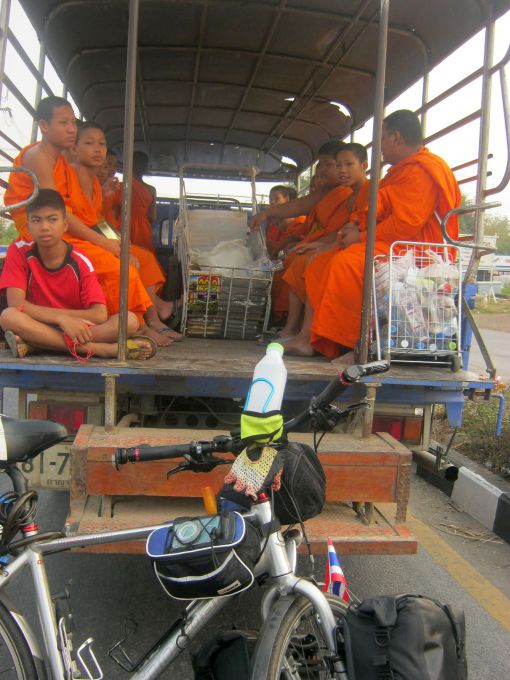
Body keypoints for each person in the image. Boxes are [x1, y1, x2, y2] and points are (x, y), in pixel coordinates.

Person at [308, 109, 461, 361]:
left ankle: (355, 345)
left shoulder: (421, 170)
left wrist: (360, 237)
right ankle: (319, 339)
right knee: (321, 263)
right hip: (391, 242)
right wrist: (356, 227)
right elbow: (380, 208)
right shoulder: (401, 171)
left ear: (396, 138)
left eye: (382, 139)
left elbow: (405, 224)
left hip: (415, 250)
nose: (379, 147)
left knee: (346, 264)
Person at [3, 96, 154, 332]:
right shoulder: (38, 156)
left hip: (62, 230)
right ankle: (129, 328)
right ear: (44, 126)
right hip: (42, 232)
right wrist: (104, 243)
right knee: (116, 268)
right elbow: (55, 211)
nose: (72, 129)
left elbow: (78, 215)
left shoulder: (61, 162)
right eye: (64, 123)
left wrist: (107, 242)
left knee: (123, 263)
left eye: (73, 123)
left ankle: (132, 324)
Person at [0, 189, 156, 360]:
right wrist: (61, 319)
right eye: (37, 220)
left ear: (65, 225)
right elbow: (16, 303)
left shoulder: (80, 260)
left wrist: (68, 321)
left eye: (52, 219)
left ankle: (36, 344)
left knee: (129, 321)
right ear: (28, 226)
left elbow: (99, 314)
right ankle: (99, 349)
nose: (45, 227)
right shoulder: (18, 250)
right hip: (39, 323)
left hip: (79, 328)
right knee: (9, 316)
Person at [70, 122, 181, 345]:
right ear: (74, 148)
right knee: (129, 265)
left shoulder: (95, 181)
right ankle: (145, 323)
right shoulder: (73, 175)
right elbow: (84, 218)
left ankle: (155, 313)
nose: (98, 150)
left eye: (102, 144)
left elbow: (95, 217)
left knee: (145, 259)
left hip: (114, 232)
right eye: (90, 143)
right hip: (84, 238)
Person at [281, 143, 370, 350]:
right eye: (339, 165)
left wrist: (323, 247)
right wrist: (320, 245)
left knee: (314, 262)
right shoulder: (351, 194)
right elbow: (344, 229)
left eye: (349, 164)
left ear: (364, 165)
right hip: (347, 243)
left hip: (366, 247)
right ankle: (298, 331)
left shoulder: (370, 191)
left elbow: (370, 228)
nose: (343, 171)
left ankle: (309, 337)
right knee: (306, 259)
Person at [252, 140, 350, 319]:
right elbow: (300, 205)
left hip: (335, 246)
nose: (321, 171)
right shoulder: (328, 192)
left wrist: (320, 245)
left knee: (303, 261)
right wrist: (266, 214)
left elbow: (345, 230)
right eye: (320, 165)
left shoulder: (350, 192)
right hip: (318, 243)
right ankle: (290, 325)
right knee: (292, 261)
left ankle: (301, 330)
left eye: (328, 165)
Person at [264, 185, 307, 258]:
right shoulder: (272, 219)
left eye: (277, 199)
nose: (272, 202)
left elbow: (292, 240)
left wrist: (274, 251)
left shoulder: (299, 220)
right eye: (270, 199)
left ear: (287, 199)